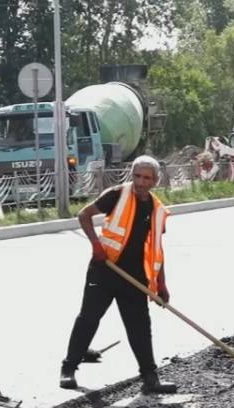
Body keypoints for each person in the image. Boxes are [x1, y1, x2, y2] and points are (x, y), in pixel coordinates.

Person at [60, 155, 177, 394]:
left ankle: (150, 377)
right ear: (131, 175)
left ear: (155, 181)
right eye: (137, 176)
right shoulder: (116, 194)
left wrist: (161, 283)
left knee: (140, 326)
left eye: (147, 178)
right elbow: (84, 215)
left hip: (134, 277)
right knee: (89, 318)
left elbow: (156, 248)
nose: (141, 182)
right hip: (104, 270)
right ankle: (68, 368)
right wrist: (96, 245)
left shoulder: (157, 211)